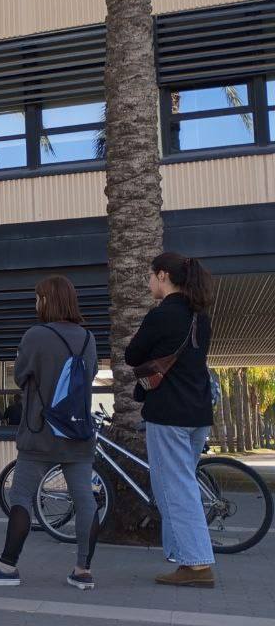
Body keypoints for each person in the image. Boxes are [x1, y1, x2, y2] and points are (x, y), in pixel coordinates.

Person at [0, 276, 99, 590]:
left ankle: (7, 567)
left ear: (47, 301)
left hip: (40, 432)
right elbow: (90, 374)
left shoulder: (36, 335)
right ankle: (82, 571)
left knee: (22, 496)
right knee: (85, 500)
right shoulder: (88, 338)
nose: (35, 303)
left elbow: (20, 375)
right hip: (78, 432)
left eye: (38, 297)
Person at [125, 252, 217, 588]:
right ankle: (182, 557)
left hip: (168, 414)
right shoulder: (200, 317)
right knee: (179, 484)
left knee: (176, 488)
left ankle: (197, 565)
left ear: (163, 276)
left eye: (150, 276)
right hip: (198, 412)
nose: (148, 283)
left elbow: (132, 355)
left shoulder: (161, 315)